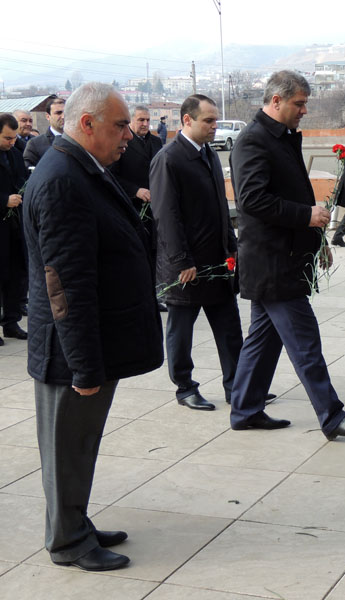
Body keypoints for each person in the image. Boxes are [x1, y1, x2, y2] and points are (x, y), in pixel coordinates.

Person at [24, 82, 164, 571]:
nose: (128, 135)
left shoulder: (80, 167)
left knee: (80, 446)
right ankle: (68, 542)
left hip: (90, 342)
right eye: (120, 125)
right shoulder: (63, 178)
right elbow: (66, 283)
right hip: (72, 349)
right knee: (67, 448)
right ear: (87, 124)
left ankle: (75, 523)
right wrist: (83, 366)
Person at [228, 70, 345, 440]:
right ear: (276, 101)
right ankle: (332, 416)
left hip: (285, 257)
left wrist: (316, 240)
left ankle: (244, 409)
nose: (305, 110)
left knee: (262, 340)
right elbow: (252, 200)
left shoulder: (282, 137)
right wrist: (306, 216)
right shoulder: (253, 140)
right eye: (300, 103)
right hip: (272, 262)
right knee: (305, 341)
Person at [150, 94, 242, 411]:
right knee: (181, 331)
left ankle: (237, 387)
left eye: (216, 120)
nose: (215, 126)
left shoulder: (209, 154)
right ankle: (185, 387)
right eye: (208, 120)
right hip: (186, 267)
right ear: (187, 120)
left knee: (230, 329)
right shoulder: (169, 159)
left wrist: (231, 247)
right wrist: (181, 261)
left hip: (216, 262)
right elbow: (166, 215)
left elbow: (221, 207)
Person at [109, 106, 165, 310]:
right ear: (131, 121)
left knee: (154, 252)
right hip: (132, 207)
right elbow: (111, 175)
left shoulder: (156, 142)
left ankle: (154, 295)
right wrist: (135, 190)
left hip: (155, 207)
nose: (145, 124)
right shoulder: (123, 142)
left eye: (148, 120)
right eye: (141, 120)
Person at [0, 113, 28, 343]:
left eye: (14, 138)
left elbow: (22, 180)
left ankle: (11, 322)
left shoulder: (16, 154)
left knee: (15, 276)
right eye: (7, 138)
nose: (12, 142)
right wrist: (3, 201)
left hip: (15, 225)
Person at [23, 95, 65, 168]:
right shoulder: (35, 144)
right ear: (48, 116)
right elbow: (29, 170)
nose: (63, 116)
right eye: (58, 113)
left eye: (66, 112)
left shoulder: (79, 141)